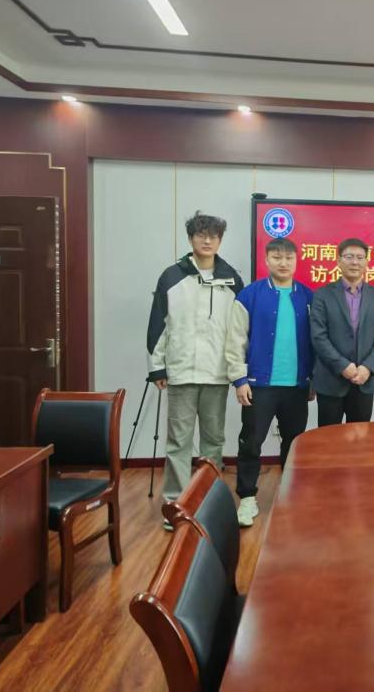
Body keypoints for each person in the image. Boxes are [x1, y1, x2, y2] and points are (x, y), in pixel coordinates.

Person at [147, 211, 243, 527]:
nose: (207, 240)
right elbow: (158, 325)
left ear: (220, 240)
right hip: (181, 372)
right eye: (201, 235)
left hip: (217, 374)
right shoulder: (171, 277)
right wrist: (157, 368)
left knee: (213, 442)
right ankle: (175, 505)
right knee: (179, 442)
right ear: (191, 239)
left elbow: (239, 330)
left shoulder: (232, 279)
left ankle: (207, 502)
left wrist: (238, 370)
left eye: (213, 236)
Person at [225, 237, 313, 527]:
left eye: (288, 258)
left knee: (294, 443)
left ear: (296, 261)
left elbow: (316, 341)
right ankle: (247, 498)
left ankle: (288, 494)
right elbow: (235, 340)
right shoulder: (249, 295)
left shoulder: (308, 297)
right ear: (266, 261)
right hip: (258, 385)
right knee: (251, 442)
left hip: (296, 386)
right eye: (276, 257)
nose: (283, 263)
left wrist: (312, 379)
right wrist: (239, 379)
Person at [310, 238, 374, 425]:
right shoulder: (322, 294)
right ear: (339, 261)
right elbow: (318, 336)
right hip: (331, 379)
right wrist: (343, 366)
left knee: (360, 437)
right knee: (328, 437)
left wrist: (367, 367)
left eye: (360, 257)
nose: (355, 262)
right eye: (349, 257)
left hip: (364, 380)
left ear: (367, 262)